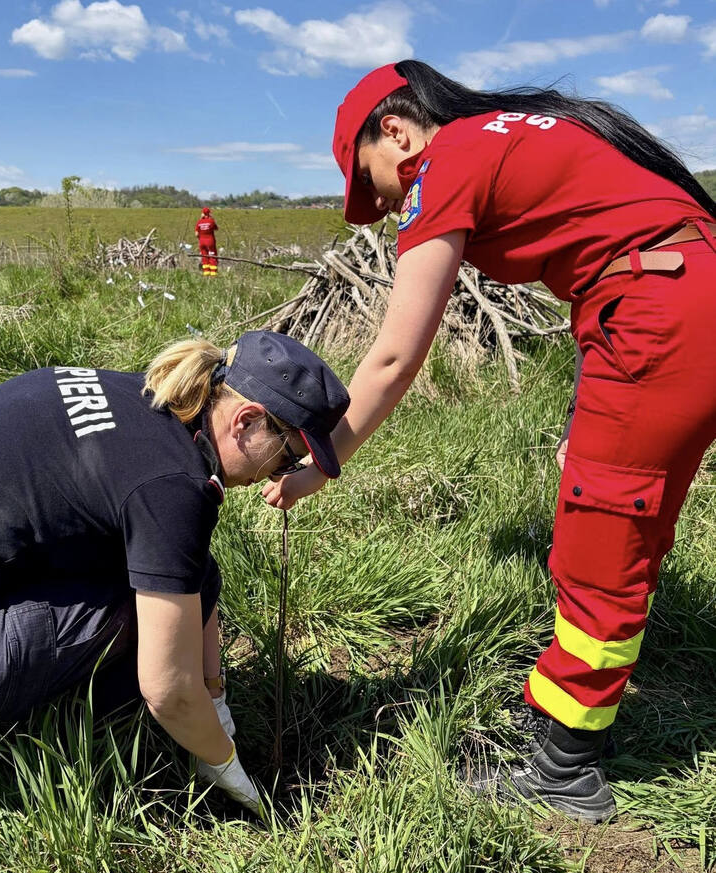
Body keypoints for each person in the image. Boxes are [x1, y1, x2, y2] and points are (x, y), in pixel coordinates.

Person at [262, 59, 716, 822]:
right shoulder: (524, 131)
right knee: (621, 509)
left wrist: (321, 460)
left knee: (597, 541)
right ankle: (561, 706)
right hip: (672, 294)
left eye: (381, 185)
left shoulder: (449, 159)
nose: (393, 205)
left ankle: (563, 767)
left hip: (651, 310)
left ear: (396, 131)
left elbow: (395, 355)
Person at [0, 331, 349, 814]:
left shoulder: (132, 395)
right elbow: (168, 688)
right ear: (246, 420)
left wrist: (214, 695)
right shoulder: (171, 486)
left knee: (183, 574)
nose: (282, 471)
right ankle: (95, 736)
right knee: (158, 613)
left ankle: (169, 713)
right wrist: (224, 760)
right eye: (288, 455)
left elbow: (191, 571)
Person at [195, 207, 219, 276]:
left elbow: (196, 234)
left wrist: (200, 238)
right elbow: (216, 228)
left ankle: (206, 273)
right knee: (212, 256)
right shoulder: (211, 221)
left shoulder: (199, 222)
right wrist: (212, 218)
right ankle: (213, 274)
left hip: (202, 242)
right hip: (210, 242)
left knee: (204, 257)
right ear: (209, 213)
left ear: (202, 213)